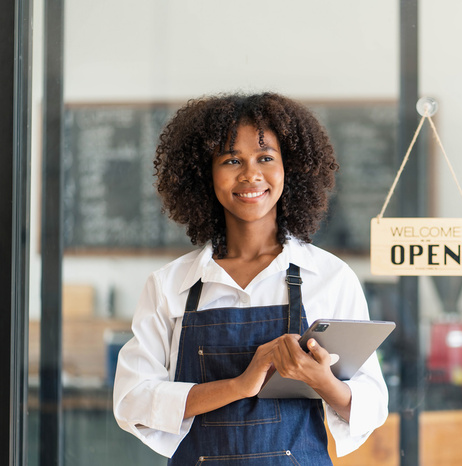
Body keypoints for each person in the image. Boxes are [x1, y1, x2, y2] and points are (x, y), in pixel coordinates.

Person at [113, 93, 389, 464]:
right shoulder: (169, 285)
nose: (250, 175)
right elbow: (132, 400)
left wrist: (323, 382)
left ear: (289, 168)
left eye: (265, 158)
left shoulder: (330, 277)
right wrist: (240, 385)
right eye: (231, 160)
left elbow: (372, 404)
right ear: (203, 173)